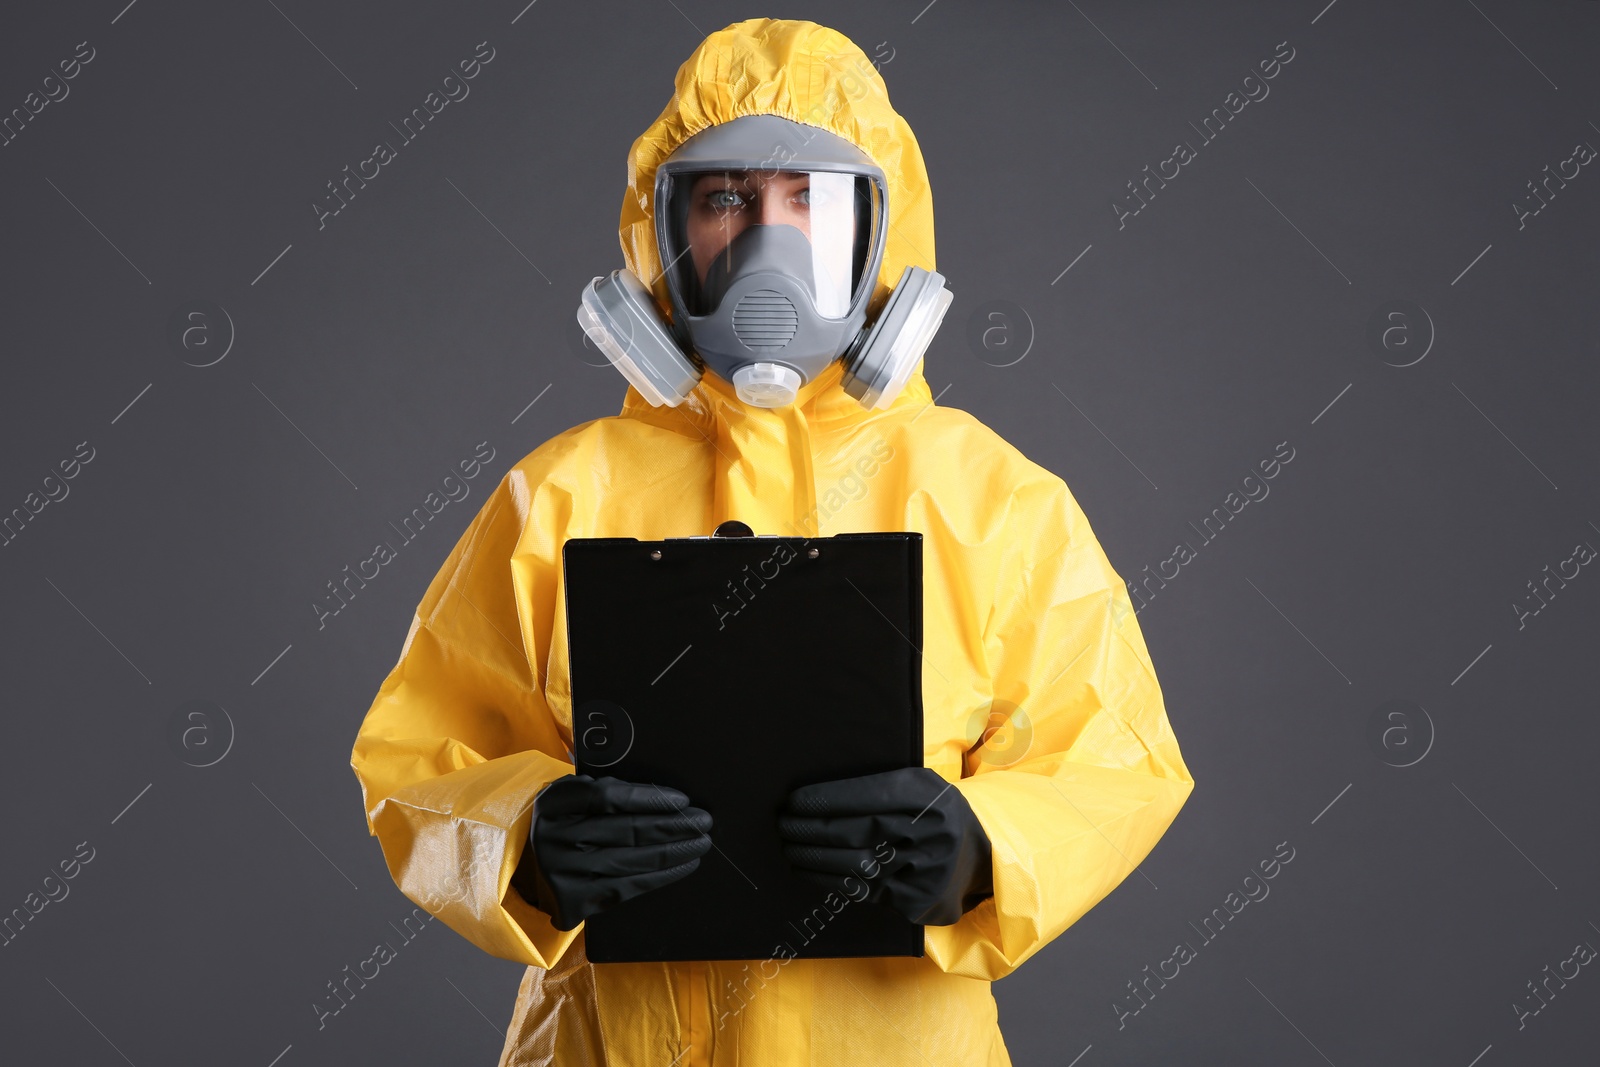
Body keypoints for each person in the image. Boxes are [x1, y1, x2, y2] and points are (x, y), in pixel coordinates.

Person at [349, 18, 1193, 1066]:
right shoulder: (558, 495)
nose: (767, 243)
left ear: (883, 238)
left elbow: (1117, 761)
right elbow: (412, 763)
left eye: (809, 199)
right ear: (664, 233)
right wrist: (523, 839)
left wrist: (980, 845)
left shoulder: (990, 499)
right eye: (725, 198)